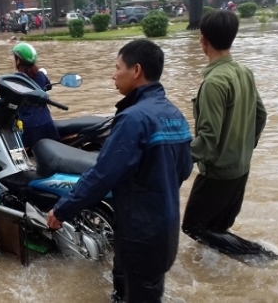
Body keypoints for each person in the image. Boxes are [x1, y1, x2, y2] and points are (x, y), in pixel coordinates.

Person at [47, 39, 193, 303]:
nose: (114, 75)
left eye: (117, 68)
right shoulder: (175, 114)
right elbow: (183, 169)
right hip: (163, 230)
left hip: (140, 236)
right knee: (126, 289)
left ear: (136, 70)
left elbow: (102, 176)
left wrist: (62, 210)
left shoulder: (133, 119)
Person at [181, 10, 277, 262]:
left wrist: (176, 159)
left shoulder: (214, 82)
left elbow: (208, 137)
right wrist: (243, 148)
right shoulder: (244, 72)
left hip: (218, 174)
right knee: (216, 231)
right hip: (241, 168)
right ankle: (220, 280)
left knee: (194, 226)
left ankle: (262, 257)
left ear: (202, 40)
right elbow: (261, 115)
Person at [12, 42, 59, 149]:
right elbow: (49, 86)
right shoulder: (41, 76)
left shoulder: (15, 79)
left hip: (30, 126)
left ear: (18, 60)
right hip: (47, 123)